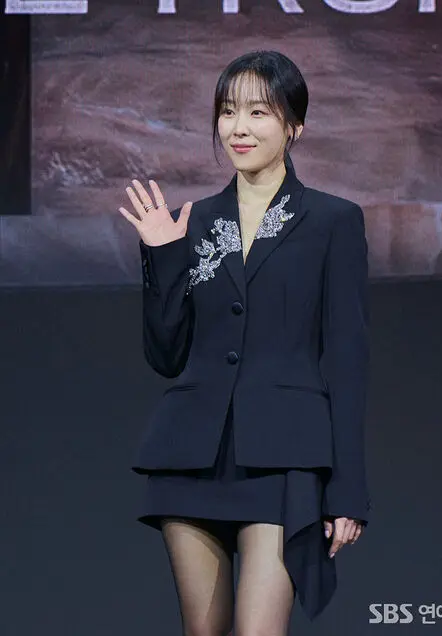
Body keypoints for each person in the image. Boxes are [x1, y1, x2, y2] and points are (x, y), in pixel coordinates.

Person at [119, 50, 371, 636]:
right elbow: (165, 356)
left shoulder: (332, 221)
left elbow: (347, 359)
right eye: (228, 111)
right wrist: (163, 256)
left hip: (285, 457)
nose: (238, 127)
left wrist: (348, 490)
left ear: (294, 125)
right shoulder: (191, 221)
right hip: (191, 455)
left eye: (259, 112)